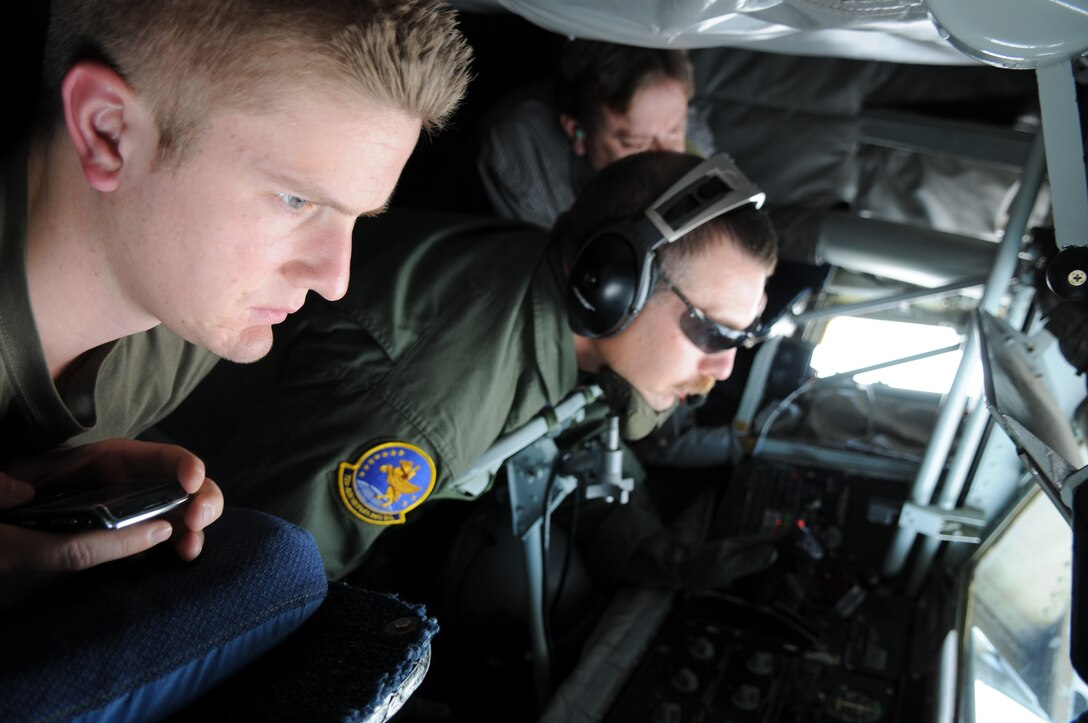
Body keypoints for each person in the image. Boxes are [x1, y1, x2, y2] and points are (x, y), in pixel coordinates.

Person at [0, 0, 471, 719]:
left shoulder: (184, 321)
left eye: (355, 218)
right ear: (107, 131)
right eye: (295, 199)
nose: (333, 277)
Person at [159, 150, 778, 588]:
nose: (723, 368)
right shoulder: (425, 410)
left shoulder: (567, 329)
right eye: (710, 330)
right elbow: (248, 585)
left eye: (740, 338)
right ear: (613, 283)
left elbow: (586, 452)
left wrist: (678, 564)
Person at [476, 39, 717, 229]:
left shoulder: (691, 136)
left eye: (675, 130)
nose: (670, 157)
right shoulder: (524, 160)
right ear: (577, 131)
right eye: (635, 143)